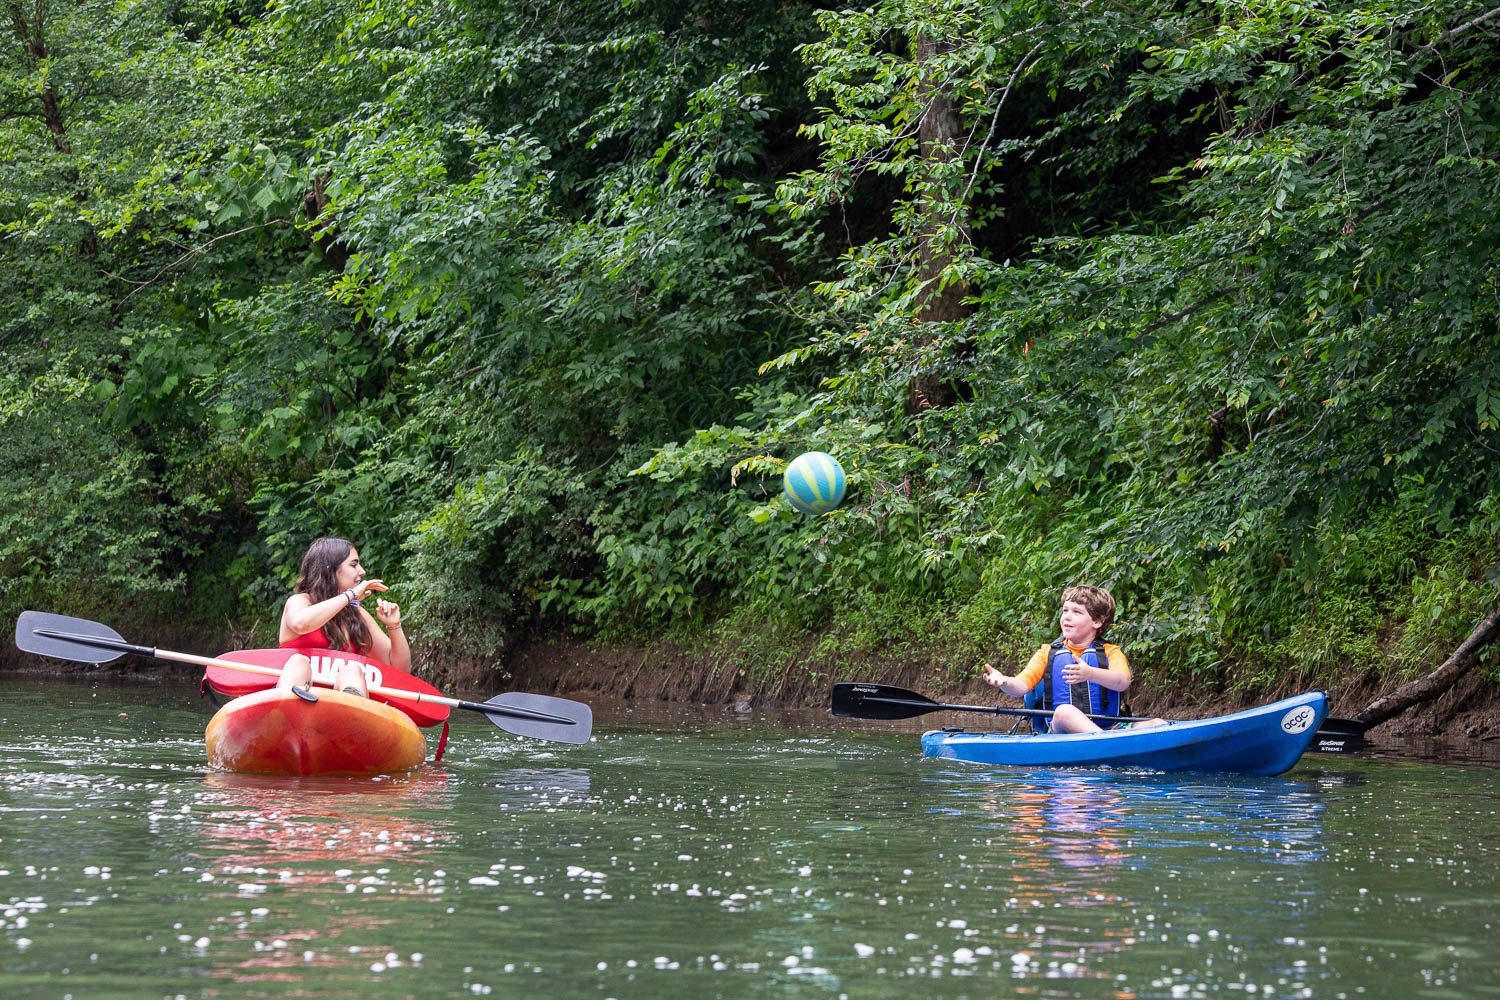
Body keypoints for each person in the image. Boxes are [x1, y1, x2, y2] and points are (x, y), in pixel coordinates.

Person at [982, 585, 1164, 734]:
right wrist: (1004, 681)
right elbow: (1020, 687)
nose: (1067, 616)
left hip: (1110, 728)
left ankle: (1109, 742)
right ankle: (1106, 745)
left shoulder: (1111, 651)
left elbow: (1122, 682)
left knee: (1158, 723)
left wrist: (1091, 673)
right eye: (1065, 610)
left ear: (1097, 622)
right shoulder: (1046, 652)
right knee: (1063, 712)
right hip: (1062, 731)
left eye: (1077, 612)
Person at [276, 536, 410, 696]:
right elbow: (301, 624)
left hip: (339, 705)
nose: (362, 571)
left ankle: (352, 707)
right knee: (298, 662)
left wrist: (394, 626)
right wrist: (351, 595)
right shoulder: (299, 601)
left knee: (353, 669)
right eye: (353, 565)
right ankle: (289, 709)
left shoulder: (358, 615)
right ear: (330, 569)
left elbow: (399, 670)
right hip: (294, 699)